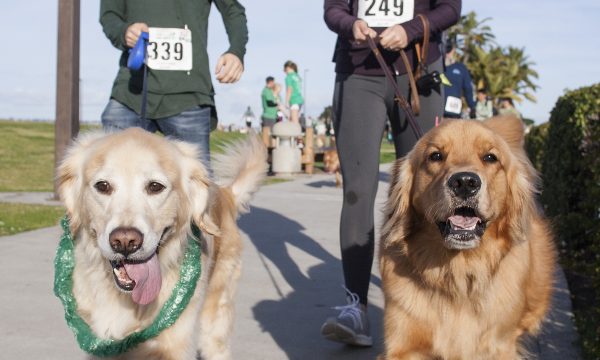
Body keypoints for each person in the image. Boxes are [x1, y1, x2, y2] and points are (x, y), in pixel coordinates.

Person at [322, 0, 461, 347]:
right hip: (359, 73)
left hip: (418, 72)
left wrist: (410, 29)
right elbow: (332, 10)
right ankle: (356, 307)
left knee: (426, 190)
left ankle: (428, 306)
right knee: (357, 191)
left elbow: (451, 9)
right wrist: (351, 24)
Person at [99, 0, 248, 167]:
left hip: (189, 95)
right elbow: (110, 14)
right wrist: (123, 31)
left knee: (197, 185)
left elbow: (233, 10)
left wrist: (236, 51)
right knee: (109, 176)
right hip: (131, 93)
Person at [443, 41, 475, 119]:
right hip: (437, 108)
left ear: (454, 50)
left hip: (453, 109)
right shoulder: (437, 65)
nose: (448, 52)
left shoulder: (461, 68)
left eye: (449, 49)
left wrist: (472, 106)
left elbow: (468, 89)